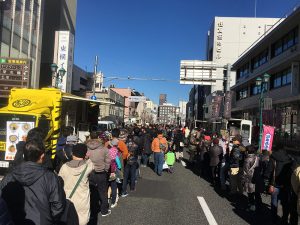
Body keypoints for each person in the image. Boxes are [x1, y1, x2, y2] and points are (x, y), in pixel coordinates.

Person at [0, 140, 65, 225]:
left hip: (14, 221)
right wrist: (49, 219)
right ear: (42, 156)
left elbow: (2, 199)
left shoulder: (9, 176)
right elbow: (58, 204)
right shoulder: (50, 177)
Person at [59, 143, 94, 225]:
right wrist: (87, 157)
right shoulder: (88, 166)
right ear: (84, 154)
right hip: (82, 199)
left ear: (72, 152)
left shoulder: (64, 167)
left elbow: (59, 183)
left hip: (68, 199)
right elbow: (91, 162)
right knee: (82, 220)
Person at [264, 145, 296, 224]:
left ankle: (274, 220)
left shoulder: (273, 158)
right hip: (286, 185)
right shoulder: (290, 158)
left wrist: (268, 182)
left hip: (274, 184)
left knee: (274, 203)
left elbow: (268, 171)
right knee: (285, 203)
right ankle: (284, 219)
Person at [86, 132, 111, 217]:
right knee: (103, 192)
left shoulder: (86, 147)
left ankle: (93, 211)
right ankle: (104, 211)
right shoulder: (104, 148)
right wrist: (106, 169)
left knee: (92, 192)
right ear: (98, 137)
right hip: (101, 172)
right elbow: (108, 160)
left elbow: (84, 159)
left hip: (90, 172)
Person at [241, 145, 261, 212]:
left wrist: (243, 180)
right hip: (256, 177)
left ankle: (252, 206)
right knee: (256, 192)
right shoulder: (257, 157)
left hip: (249, 178)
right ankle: (258, 205)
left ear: (247, 151)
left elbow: (245, 171)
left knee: (250, 193)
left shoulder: (247, 160)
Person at [107, 139, 120, 208]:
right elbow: (118, 161)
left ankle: (107, 199)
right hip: (113, 170)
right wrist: (119, 167)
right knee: (114, 185)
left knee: (107, 185)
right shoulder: (116, 151)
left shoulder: (108, 150)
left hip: (107, 170)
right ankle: (113, 202)